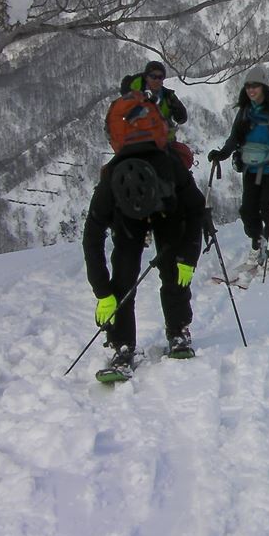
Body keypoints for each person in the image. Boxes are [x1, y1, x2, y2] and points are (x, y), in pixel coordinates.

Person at [82, 141, 205, 376]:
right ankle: (122, 344)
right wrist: (102, 292)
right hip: (127, 218)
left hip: (167, 211)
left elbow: (196, 210)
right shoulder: (108, 187)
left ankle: (178, 330)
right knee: (123, 276)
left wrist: (188, 258)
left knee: (174, 270)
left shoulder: (171, 169)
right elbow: (91, 241)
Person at [207, 69, 269, 265]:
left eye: (255, 86)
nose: (251, 90)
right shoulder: (245, 112)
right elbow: (234, 138)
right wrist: (222, 154)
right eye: (248, 86)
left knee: (268, 208)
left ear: (263, 87)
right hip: (251, 168)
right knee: (248, 210)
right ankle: (257, 241)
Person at [121, 60, 188, 140]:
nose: (157, 80)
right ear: (146, 77)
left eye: (160, 77)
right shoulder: (133, 93)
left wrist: (177, 109)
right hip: (137, 139)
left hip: (163, 140)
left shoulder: (168, 96)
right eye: (153, 76)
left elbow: (182, 119)